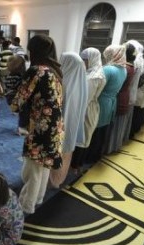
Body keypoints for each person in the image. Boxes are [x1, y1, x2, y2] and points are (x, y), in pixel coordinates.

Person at [11, 34, 64, 214]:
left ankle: (27, 205)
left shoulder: (37, 71)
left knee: (33, 168)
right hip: (55, 127)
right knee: (43, 165)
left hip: (40, 127)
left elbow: (17, 102)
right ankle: (39, 197)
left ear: (33, 51)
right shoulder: (55, 70)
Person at [49, 52, 88, 188]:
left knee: (56, 152)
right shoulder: (82, 82)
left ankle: (52, 181)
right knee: (66, 153)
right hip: (73, 125)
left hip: (59, 126)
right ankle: (59, 180)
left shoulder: (63, 82)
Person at [85, 45, 127, 163]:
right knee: (103, 131)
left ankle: (88, 158)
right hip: (111, 102)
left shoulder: (108, 69)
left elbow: (97, 87)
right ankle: (96, 155)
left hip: (101, 101)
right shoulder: (123, 69)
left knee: (94, 131)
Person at [71, 47, 106, 171]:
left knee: (82, 137)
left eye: (84, 59)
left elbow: (85, 98)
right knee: (81, 137)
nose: (82, 62)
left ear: (91, 59)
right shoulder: (91, 72)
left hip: (86, 109)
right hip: (85, 107)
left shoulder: (94, 77)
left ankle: (76, 165)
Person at [4, 55, 27, 135]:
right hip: (15, 98)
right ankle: (21, 128)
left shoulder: (8, 76)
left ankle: (20, 127)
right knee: (23, 113)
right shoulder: (19, 77)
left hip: (9, 98)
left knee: (21, 114)